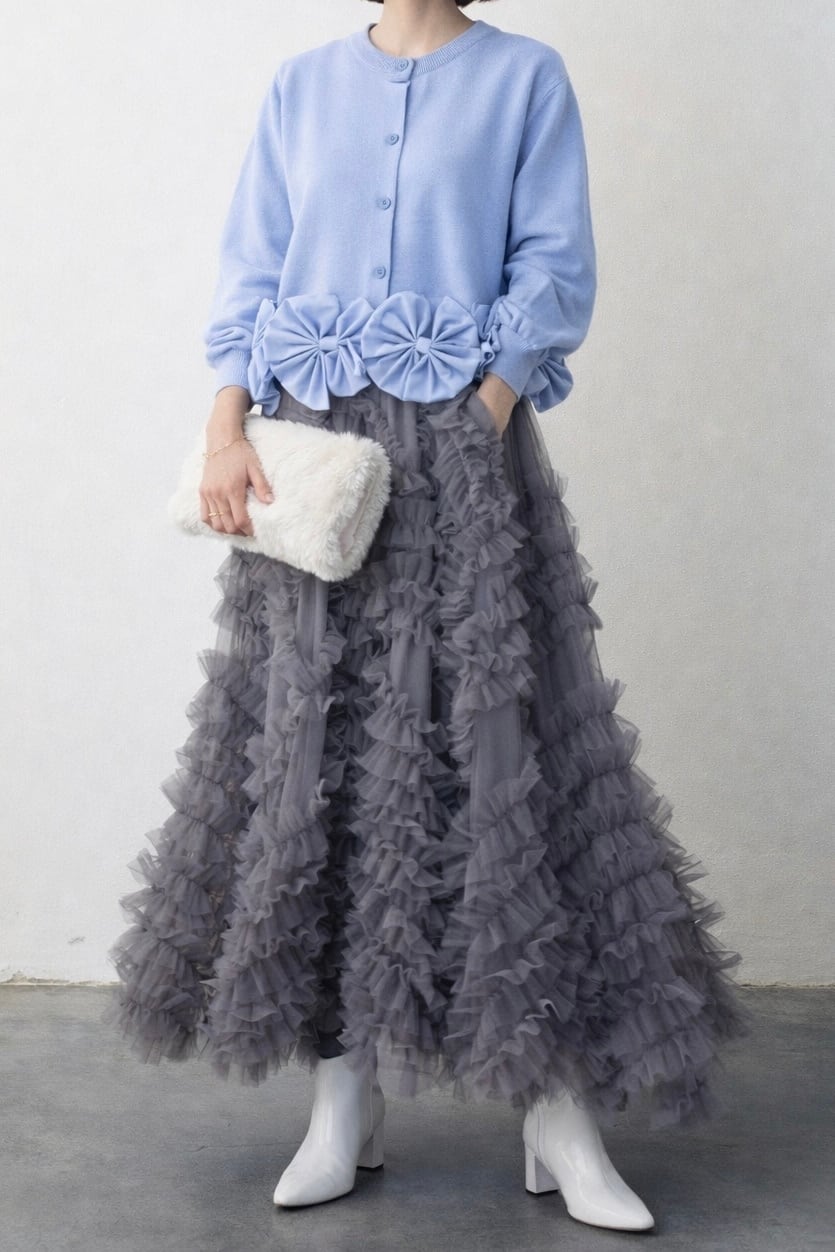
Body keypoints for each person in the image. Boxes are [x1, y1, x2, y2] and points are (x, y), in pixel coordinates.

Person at [104, 0, 753, 1229]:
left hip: (461, 450)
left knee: (499, 752)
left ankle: (554, 1110)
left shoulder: (525, 78)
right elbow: (252, 265)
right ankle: (344, 1098)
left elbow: (554, 263)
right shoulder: (300, 85)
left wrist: (484, 413)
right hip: (314, 464)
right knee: (325, 758)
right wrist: (224, 425)